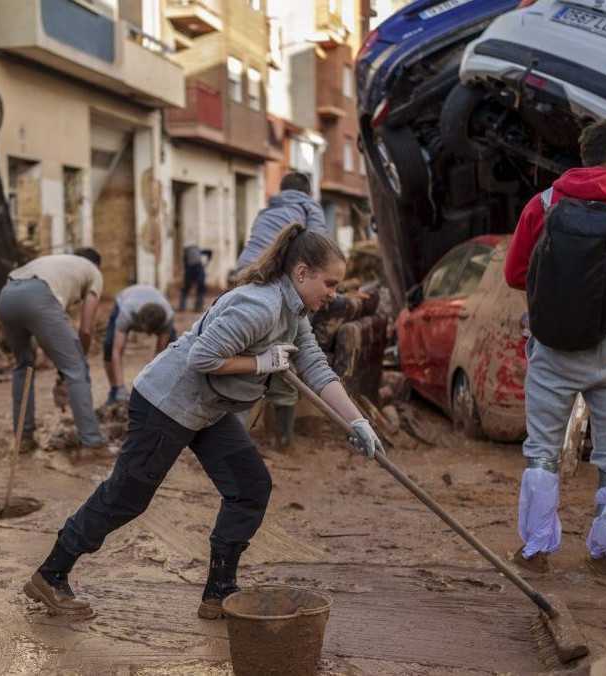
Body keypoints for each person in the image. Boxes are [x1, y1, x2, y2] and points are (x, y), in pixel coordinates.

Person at [23, 224, 384, 619]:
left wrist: (356, 421)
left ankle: (219, 592)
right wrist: (261, 363)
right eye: (330, 283)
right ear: (301, 273)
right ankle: (51, 574)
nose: (333, 294)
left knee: (250, 487)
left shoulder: (292, 311)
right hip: (167, 401)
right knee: (127, 497)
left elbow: (315, 367)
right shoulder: (260, 306)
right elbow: (203, 358)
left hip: (209, 409)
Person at [504, 120, 606, 586]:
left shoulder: (543, 204)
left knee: (542, 453)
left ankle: (534, 551)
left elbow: (513, 273)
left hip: (551, 347)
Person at [233, 171, 329, 450]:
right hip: (275, 286)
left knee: (242, 357)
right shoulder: (310, 209)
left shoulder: (266, 212)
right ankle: (284, 439)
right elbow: (320, 253)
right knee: (287, 356)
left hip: (243, 278)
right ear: (308, 192)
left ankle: (231, 438)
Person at [0, 248, 107, 453]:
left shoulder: (57, 262)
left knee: (23, 366)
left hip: (7, 295)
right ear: (97, 264)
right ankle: (92, 444)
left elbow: (50, 335)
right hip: (39, 295)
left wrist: (61, 368)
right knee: (77, 369)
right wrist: (77, 361)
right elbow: (85, 329)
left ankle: (24, 439)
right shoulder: (93, 272)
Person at [104, 284, 177, 406]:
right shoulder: (127, 313)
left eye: (151, 332)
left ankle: (168, 392)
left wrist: (152, 389)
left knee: (173, 352)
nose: (148, 335)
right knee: (109, 345)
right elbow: (116, 351)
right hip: (126, 297)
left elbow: (160, 354)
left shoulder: (168, 318)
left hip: (155, 302)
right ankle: (115, 390)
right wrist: (121, 386)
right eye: (147, 331)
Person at [179, 245, 212, 312]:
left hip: (192, 269)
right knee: (200, 289)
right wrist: (208, 261)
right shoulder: (198, 250)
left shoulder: (187, 252)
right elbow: (209, 252)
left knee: (187, 289)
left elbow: (185, 264)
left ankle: (183, 307)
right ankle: (197, 307)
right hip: (197, 269)